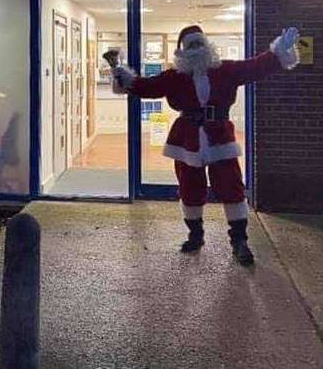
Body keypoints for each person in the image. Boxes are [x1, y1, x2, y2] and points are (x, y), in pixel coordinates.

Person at [110, 26, 299, 265]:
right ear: (182, 51)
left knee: (231, 186)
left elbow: (257, 67)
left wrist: (281, 48)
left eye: (199, 44)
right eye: (191, 46)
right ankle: (195, 235)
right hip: (186, 138)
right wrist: (121, 74)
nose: (196, 50)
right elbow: (144, 87)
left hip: (219, 135)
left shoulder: (226, 70)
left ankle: (239, 241)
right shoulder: (174, 77)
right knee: (189, 186)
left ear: (207, 46)